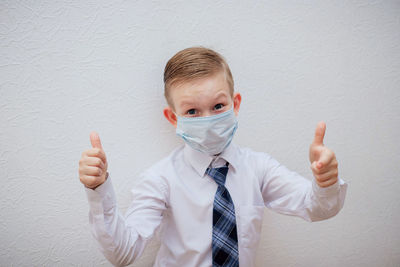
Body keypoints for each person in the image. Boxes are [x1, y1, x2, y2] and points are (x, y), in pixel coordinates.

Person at [78, 47, 348, 267]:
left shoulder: (259, 168)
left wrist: (325, 181)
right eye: (192, 112)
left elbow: (316, 207)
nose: (207, 120)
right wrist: (98, 189)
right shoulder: (160, 179)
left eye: (218, 106)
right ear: (173, 118)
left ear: (236, 104)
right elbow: (123, 254)